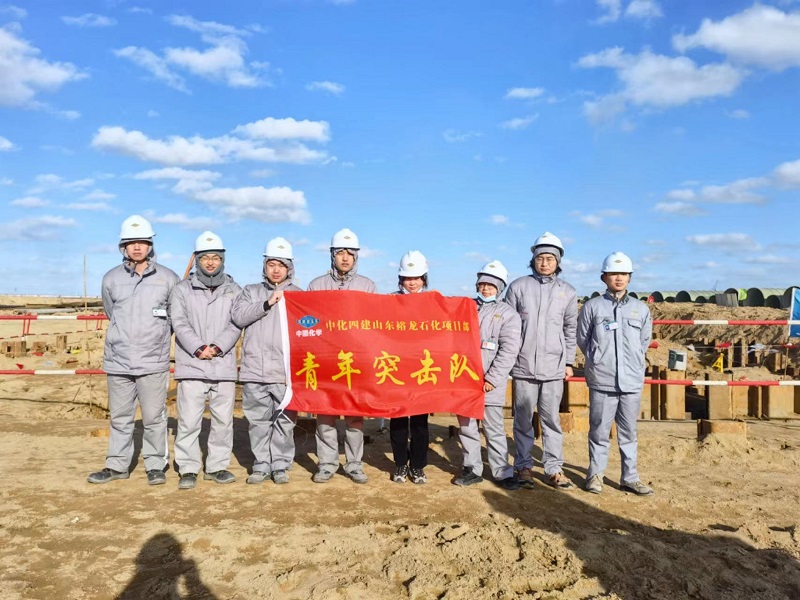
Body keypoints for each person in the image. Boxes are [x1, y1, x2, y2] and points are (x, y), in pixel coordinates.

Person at [88, 215, 180, 485]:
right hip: (118, 361)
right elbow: (111, 312)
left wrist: (156, 340)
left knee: (154, 418)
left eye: (142, 242)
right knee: (120, 418)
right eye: (131, 242)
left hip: (153, 362)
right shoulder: (111, 279)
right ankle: (117, 466)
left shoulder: (168, 278)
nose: (137, 247)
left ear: (150, 245)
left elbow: (174, 317)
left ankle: (155, 465)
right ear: (123, 246)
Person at [169, 231, 242, 489]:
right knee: (189, 421)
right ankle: (188, 468)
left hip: (223, 365)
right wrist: (198, 347)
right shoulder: (182, 290)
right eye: (205, 258)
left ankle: (217, 467)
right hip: (192, 365)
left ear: (222, 259)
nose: (210, 262)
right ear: (197, 259)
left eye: (215, 257)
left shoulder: (234, 290)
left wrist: (218, 346)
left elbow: (236, 323)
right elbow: (179, 321)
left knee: (223, 422)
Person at [504, 232, 578, 490]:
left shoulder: (567, 292)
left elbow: (570, 329)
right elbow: (509, 327)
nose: (544, 263)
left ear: (558, 261)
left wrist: (569, 362)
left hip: (554, 367)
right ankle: (523, 466)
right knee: (523, 420)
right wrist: (509, 360)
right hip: (523, 365)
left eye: (550, 258)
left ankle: (554, 468)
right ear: (533, 260)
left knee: (551, 420)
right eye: (540, 258)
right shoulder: (518, 287)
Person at [577, 252, 654, 496]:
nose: (619, 278)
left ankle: (630, 478)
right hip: (602, 379)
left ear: (630, 277)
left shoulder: (640, 309)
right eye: (613, 274)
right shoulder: (592, 307)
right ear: (604, 277)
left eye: (623, 274)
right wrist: (599, 358)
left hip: (631, 380)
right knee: (599, 431)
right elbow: (583, 340)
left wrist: (633, 362)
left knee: (629, 432)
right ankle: (595, 475)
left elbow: (644, 341)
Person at [307, 228, 376, 484]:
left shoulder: (367, 286)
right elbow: (307, 321)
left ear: (357, 256)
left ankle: (354, 464)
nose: (345, 258)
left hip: (354, 361)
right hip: (325, 360)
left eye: (350, 253)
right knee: (325, 415)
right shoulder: (316, 285)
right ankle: (326, 464)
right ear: (332, 255)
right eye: (340, 253)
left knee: (354, 417)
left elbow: (374, 324)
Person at [231, 237, 302, 485]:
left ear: (289, 267)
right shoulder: (250, 291)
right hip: (255, 370)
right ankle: (261, 464)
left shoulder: (299, 295)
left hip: (284, 373)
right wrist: (266, 303)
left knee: (285, 422)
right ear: (264, 265)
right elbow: (239, 317)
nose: (276, 270)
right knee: (258, 421)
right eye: (271, 264)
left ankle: (280, 465)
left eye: (281, 265)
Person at [455, 260, 521, 491]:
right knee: (467, 427)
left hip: (490, 382)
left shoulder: (508, 315)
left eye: (491, 285)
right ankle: (472, 469)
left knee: (493, 428)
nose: (485, 288)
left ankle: (502, 472)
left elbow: (509, 350)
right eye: (482, 284)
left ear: (500, 287)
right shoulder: (465, 308)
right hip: (464, 379)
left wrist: (492, 378)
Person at [390, 251, 432, 485]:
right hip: (396, 368)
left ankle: (417, 466)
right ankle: (399, 463)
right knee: (398, 420)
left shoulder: (434, 302)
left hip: (422, 369)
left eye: (416, 278)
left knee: (419, 423)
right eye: (407, 278)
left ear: (424, 278)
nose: (412, 283)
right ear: (401, 279)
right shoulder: (389, 301)